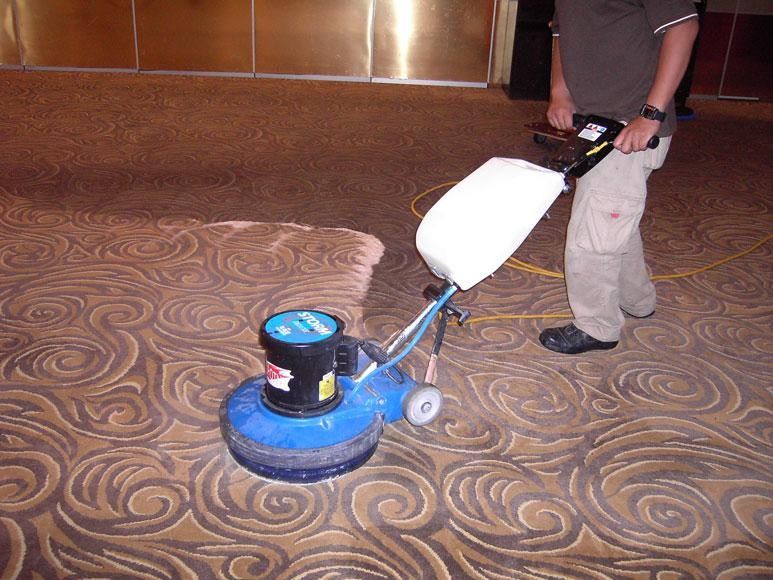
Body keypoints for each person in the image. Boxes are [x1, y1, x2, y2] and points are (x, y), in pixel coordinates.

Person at [539, 1, 699, 355]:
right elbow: (561, 32)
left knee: (593, 233)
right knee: (612, 218)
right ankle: (637, 300)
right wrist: (560, 92)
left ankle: (598, 326)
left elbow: (683, 26)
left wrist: (651, 114)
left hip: (630, 126)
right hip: (595, 122)